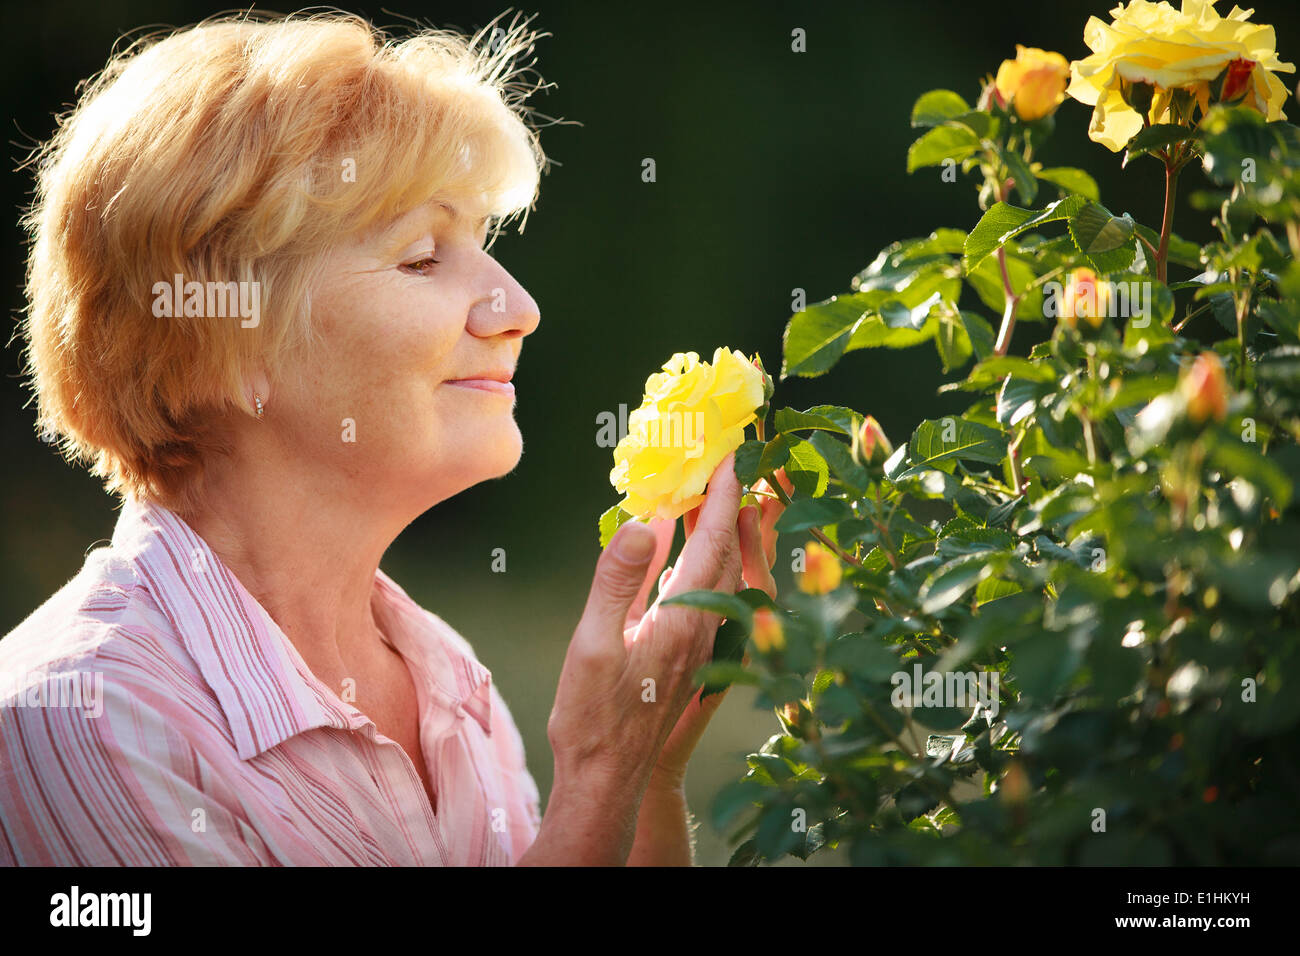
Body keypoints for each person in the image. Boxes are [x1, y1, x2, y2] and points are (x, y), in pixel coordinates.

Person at [0, 10, 786, 866]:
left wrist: (648, 767)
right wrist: (598, 772)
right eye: (422, 257)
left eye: (482, 244)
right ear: (220, 342)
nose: (518, 310)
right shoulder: (85, 719)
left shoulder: (446, 679)